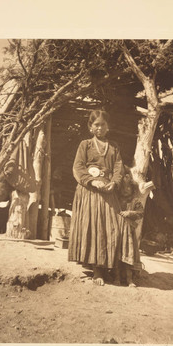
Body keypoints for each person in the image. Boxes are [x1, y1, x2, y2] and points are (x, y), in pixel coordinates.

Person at [68, 110, 123, 285]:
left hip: (108, 192)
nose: (100, 128)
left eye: (103, 124)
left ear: (109, 126)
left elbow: (118, 168)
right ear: (90, 127)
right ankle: (97, 270)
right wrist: (91, 181)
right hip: (90, 192)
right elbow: (78, 167)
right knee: (94, 228)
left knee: (111, 228)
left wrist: (114, 182)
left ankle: (109, 267)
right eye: (96, 124)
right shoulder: (85, 145)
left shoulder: (113, 146)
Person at [118, 166, 155, 287]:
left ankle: (129, 280)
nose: (126, 190)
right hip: (117, 232)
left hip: (129, 233)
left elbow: (141, 213)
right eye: (124, 188)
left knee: (129, 255)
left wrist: (130, 213)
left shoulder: (135, 201)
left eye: (129, 187)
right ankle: (116, 278)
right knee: (116, 255)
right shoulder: (117, 200)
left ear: (133, 189)